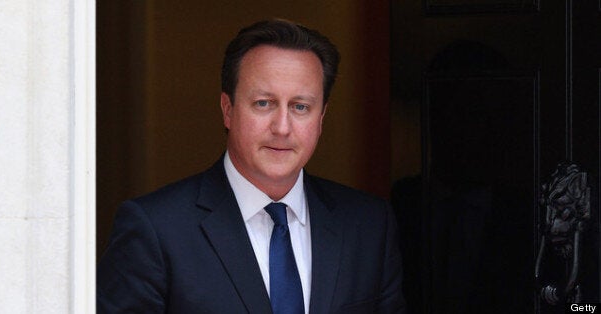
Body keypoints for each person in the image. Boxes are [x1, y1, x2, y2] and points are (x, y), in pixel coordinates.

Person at [97, 19, 406, 314]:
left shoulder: (368, 227)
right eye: (263, 103)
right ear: (227, 110)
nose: (282, 127)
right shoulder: (155, 229)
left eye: (301, 107)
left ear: (321, 118)